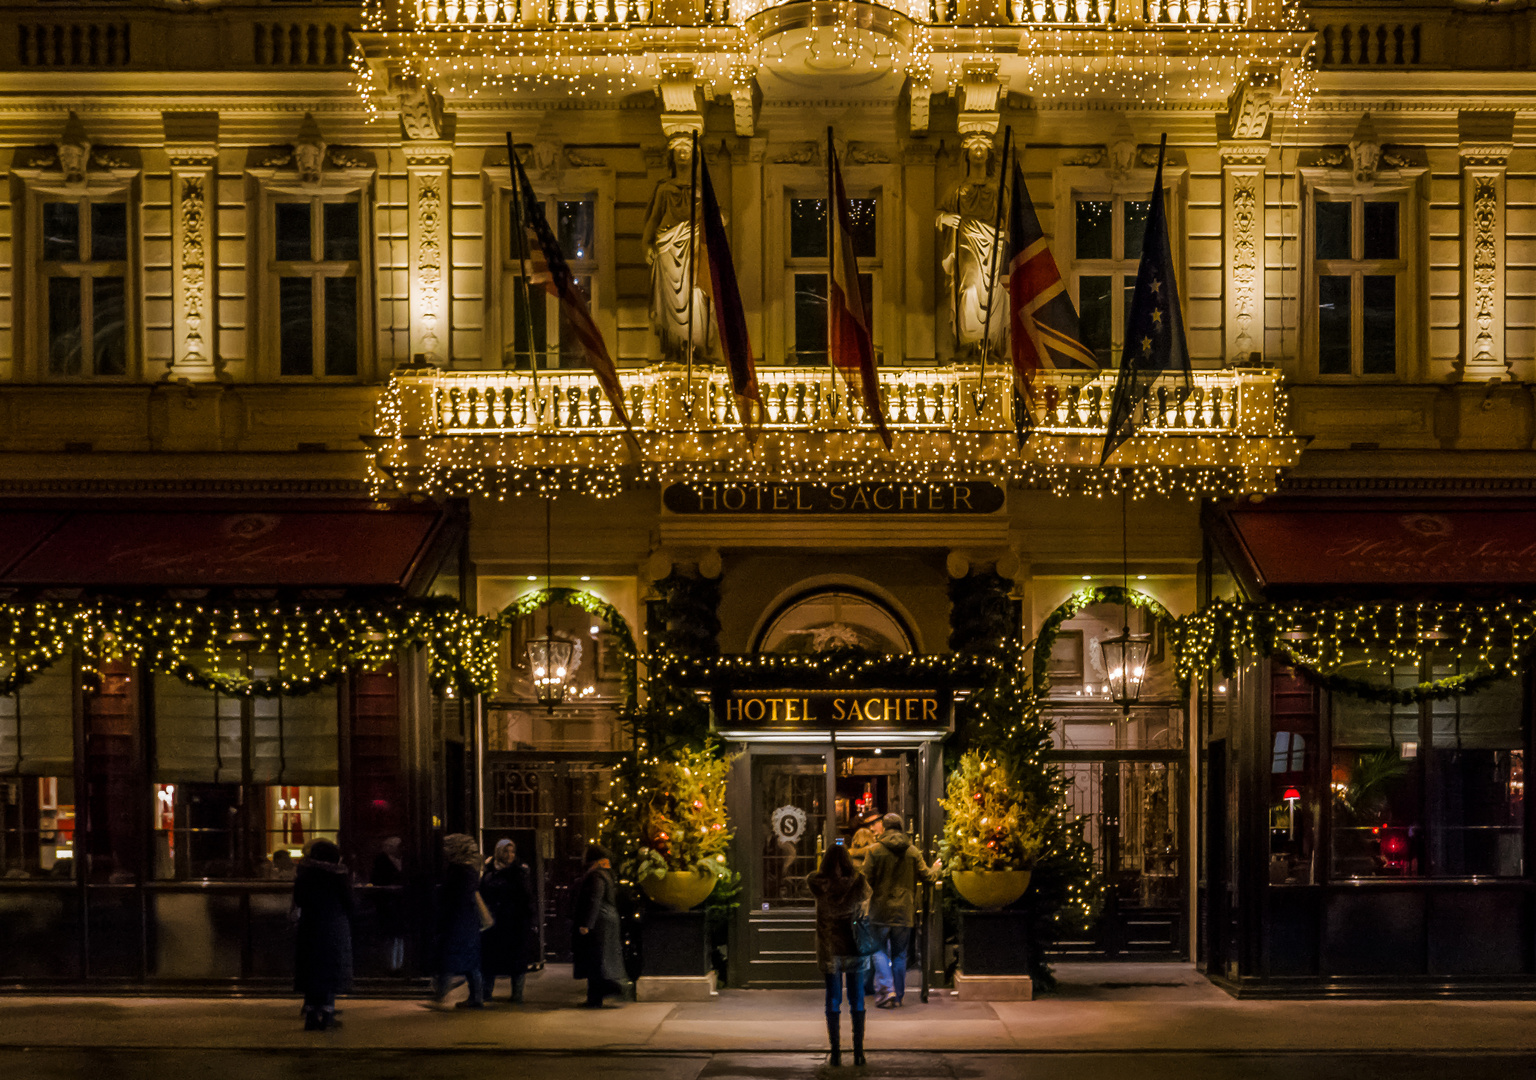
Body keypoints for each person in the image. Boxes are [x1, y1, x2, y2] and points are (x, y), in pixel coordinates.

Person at [862, 812, 941, 1009]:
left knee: (878, 950)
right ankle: (898, 995)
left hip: (879, 909)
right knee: (900, 954)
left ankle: (887, 989)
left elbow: (864, 881)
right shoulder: (912, 851)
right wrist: (937, 867)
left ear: (885, 827)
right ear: (901, 827)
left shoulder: (874, 850)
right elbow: (929, 877)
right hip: (904, 911)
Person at [809, 841, 872, 1068]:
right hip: (854, 946)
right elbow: (868, 902)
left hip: (830, 948)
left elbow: (811, 878)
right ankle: (858, 1053)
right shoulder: (858, 883)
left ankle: (835, 1053)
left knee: (833, 999)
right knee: (857, 1000)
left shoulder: (819, 884)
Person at [291, 838, 353, 1032]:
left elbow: (299, 899)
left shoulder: (305, 874)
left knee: (311, 969)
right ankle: (327, 1013)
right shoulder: (339, 875)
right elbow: (349, 902)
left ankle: (310, 1014)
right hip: (334, 926)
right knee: (331, 968)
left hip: (310, 926)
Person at [480, 838, 537, 1003]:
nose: (510, 855)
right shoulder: (490, 871)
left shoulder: (518, 873)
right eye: (506, 851)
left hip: (514, 923)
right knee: (489, 959)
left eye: (512, 851)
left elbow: (527, 897)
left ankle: (517, 994)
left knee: (516, 960)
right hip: (494, 922)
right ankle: (486, 992)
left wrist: (529, 919)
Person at [433, 833, 485, 1009]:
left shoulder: (458, 871)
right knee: (471, 963)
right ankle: (476, 997)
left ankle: (440, 997)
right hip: (468, 921)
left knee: (448, 960)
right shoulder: (470, 869)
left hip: (457, 921)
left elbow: (454, 897)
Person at [571, 843, 626, 1007]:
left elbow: (594, 899)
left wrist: (587, 923)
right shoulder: (606, 872)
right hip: (607, 919)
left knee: (595, 959)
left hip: (600, 922)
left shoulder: (596, 874)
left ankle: (599, 995)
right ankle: (598, 995)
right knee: (600, 959)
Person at [370, 836, 407, 973]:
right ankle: (391, 964)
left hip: (398, 904)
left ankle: (397, 963)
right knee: (390, 936)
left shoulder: (404, 861)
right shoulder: (381, 862)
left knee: (398, 936)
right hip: (387, 904)